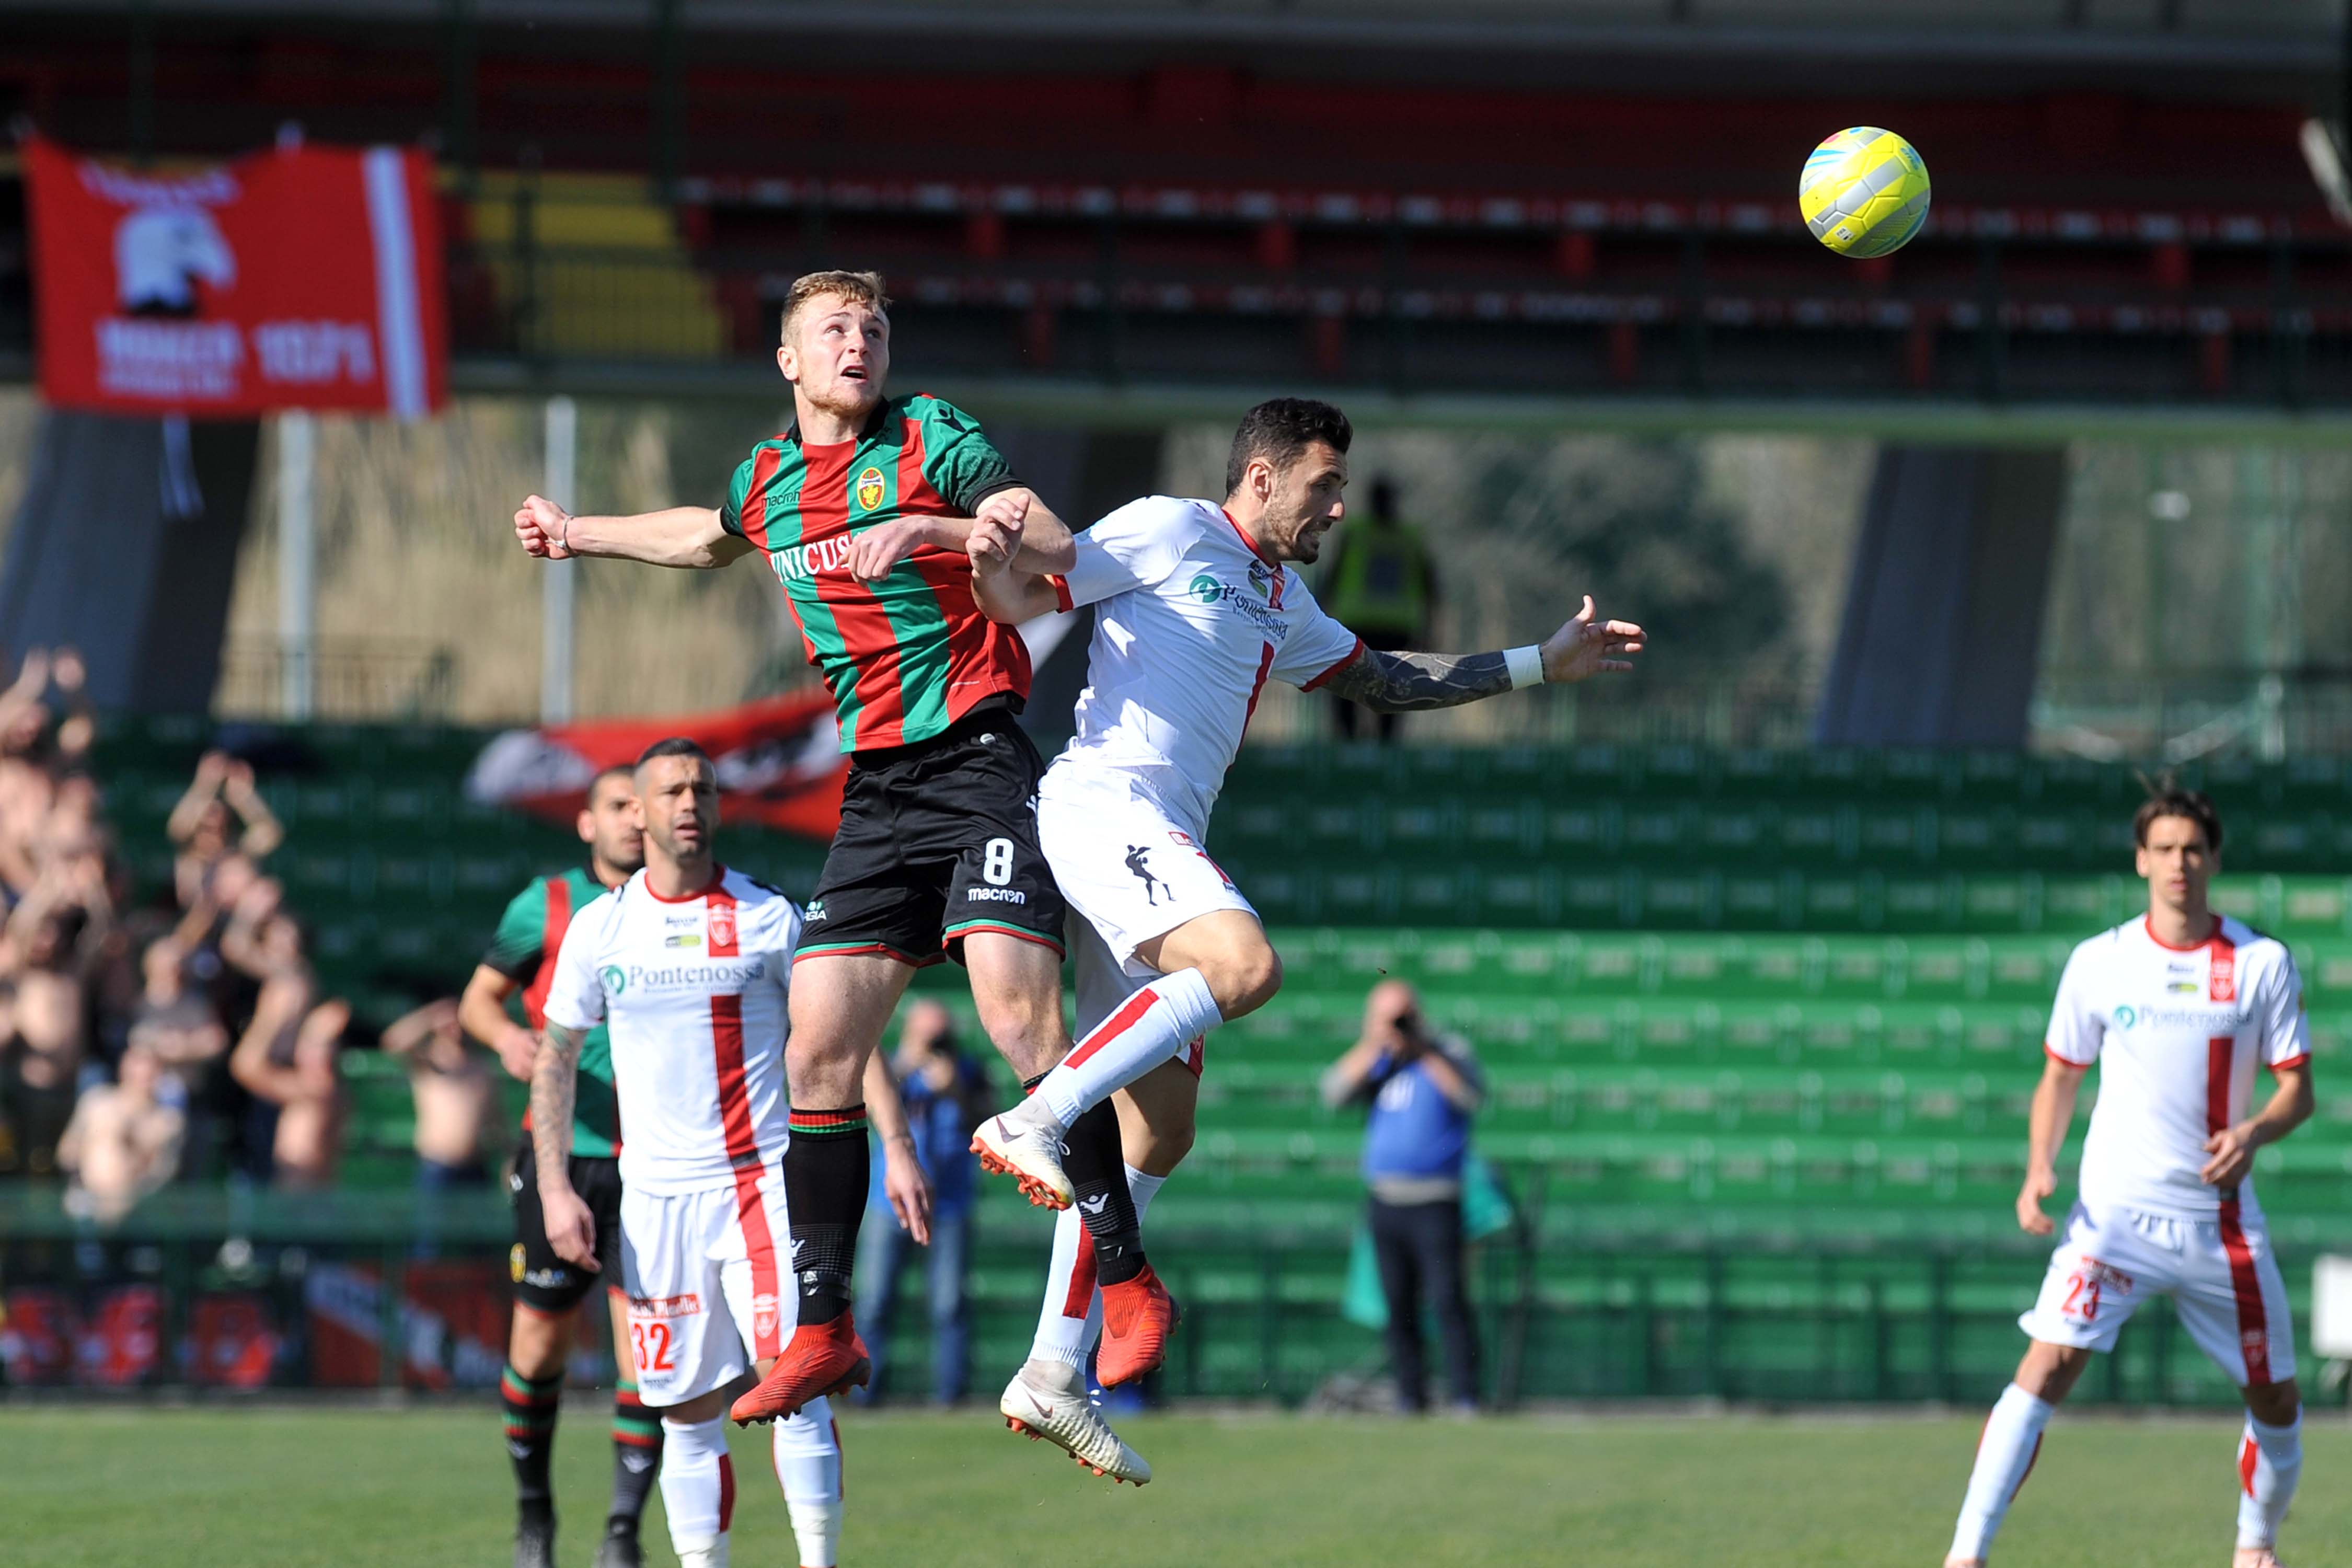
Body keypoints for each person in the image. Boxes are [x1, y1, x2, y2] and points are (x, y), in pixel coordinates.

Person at [510, 268, 1145, 1429]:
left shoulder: (932, 436)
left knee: (1019, 1023)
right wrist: (577, 533)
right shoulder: (767, 480)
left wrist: (952, 526)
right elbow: (706, 539)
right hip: (877, 788)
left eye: (875, 328)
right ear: (790, 362)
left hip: (978, 757)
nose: (860, 344)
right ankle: (823, 1329)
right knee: (817, 1055)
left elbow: (1057, 543)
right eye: (836, 329)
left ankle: (1127, 1274)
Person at [963, 397, 1643, 1478]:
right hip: (1102, 810)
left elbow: (1386, 680)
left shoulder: (1284, 600)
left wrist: (1537, 663)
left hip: (1153, 843)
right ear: (1263, 476)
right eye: (1324, 485)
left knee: (1160, 1134)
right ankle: (1034, 1117)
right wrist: (987, 551)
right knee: (1244, 965)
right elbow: (1040, 585)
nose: (1335, 507)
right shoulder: (1172, 527)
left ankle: (1050, 1370)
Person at [533, 739, 885, 1568]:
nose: (689, 803)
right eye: (671, 791)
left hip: (761, 1186)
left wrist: (896, 1144)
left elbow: (842, 1032)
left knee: (796, 1382)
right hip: (655, 1201)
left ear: (720, 805)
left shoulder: (767, 915)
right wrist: (554, 1186)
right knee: (684, 1413)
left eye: (702, 788)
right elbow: (556, 1056)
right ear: (639, 811)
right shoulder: (601, 928)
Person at [1942, 787, 2314, 1568]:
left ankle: (2254, 1546)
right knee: (2044, 1367)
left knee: (2278, 1401)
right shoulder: (2100, 961)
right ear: (2141, 860)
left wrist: (2253, 1131)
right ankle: (1966, 1556)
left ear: (2214, 859)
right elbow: (2060, 1076)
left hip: (2220, 1225)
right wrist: (2038, 1167)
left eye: (2193, 849)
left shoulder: (2260, 962)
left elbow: (2298, 1092)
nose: (2180, 863)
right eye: (2165, 849)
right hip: (2115, 1219)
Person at [457, 764, 659, 1568]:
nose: (634, 820)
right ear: (587, 822)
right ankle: (535, 1517)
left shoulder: (681, 908)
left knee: (646, 1355)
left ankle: (622, 1535)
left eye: (644, 806)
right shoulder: (543, 906)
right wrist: (507, 1036)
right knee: (539, 1348)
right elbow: (478, 999)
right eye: (618, 806)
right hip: (562, 1158)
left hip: (657, 1164)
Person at [1322, 979, 1484, 1413]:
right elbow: (1333, 1092)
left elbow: (1469, 1096)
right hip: (1386, 1199)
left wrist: (1423, 1048)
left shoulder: (1447, 1052)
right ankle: (1411, 1396)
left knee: (1448, 1299)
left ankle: (1467, 1396)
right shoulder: (1378, 1060)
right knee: (1399, 1304)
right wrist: (1375, 1045)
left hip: (1437, 1198)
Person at [854, 998, 988, 1405]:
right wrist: (907, 1065)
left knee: (949, 1304)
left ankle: (951, 1396)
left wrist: (956, 1089)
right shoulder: (891, 1069)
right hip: (890, 1202)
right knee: (875, 1300)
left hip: (950, 1203)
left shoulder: (968, 1072)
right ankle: (866, 1396)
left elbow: (990, 1121)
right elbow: (865, 1105)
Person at [1318, 476, 1437, 742]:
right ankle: (1383, 746)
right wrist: (1428, 628)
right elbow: (1430, 587)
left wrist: (1322, 617)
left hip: (1358, 623)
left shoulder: (1358, 534)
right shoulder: (1409, 538)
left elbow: (1333, 576)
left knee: (1349, 687)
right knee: (1391, 691)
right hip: (1396, 626)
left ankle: (1351, 745)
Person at [229, 990, 347, 1189]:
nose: (317, 1053)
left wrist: (272, 1015)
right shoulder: (324, 1090)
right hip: (302, 1194)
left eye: (321, 1045)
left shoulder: (318, 1091)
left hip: (301, 1198)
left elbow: (245, 1066)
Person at [57, 1041, 185, 1223]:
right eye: (138, 1063)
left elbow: (162, 1175)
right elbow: (67, 1153)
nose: (144, 1072)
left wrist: (137, 1149)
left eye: (152, 1066)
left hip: (137, 1211)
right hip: (87, 1201)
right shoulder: (98, 1101)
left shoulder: (168, 1121)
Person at [381, 997, 497, 1190]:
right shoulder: (427, 1063)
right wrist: (430, 1016)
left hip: (476, 1166)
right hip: (438, 1168)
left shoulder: (480, 1066)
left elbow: (496, 1116)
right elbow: (392, 1043)